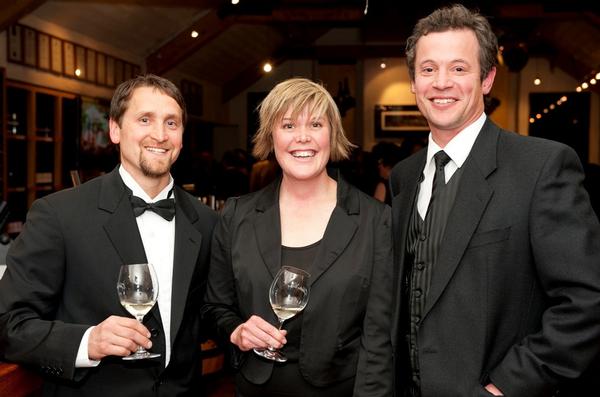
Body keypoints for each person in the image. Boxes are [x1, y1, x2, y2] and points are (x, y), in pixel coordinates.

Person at [389, 5, 600, 397]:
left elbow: (586, 302)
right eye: (429, 69)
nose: (441, 83)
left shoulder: (541, 167)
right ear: (414, 83)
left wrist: (505, 387)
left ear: (487, 79)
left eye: (458, 68)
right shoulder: (403, 177)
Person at [0, 74, 218, 396]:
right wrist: (88, 341)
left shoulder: (206, 221)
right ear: (115, 129)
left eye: (172, 123)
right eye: (145, 119)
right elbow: (8, 323)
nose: (160, 135)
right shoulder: (59, 215)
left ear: (182, 136)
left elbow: (208, 316)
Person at [202, 77, 394, 396]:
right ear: (271, 136)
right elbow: (214, 306)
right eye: (288, 125)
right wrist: (236, 330)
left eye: (315, 124)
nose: (302, 138)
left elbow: (380, 337)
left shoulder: (376, 221)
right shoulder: (237, 216)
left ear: (332, 135)